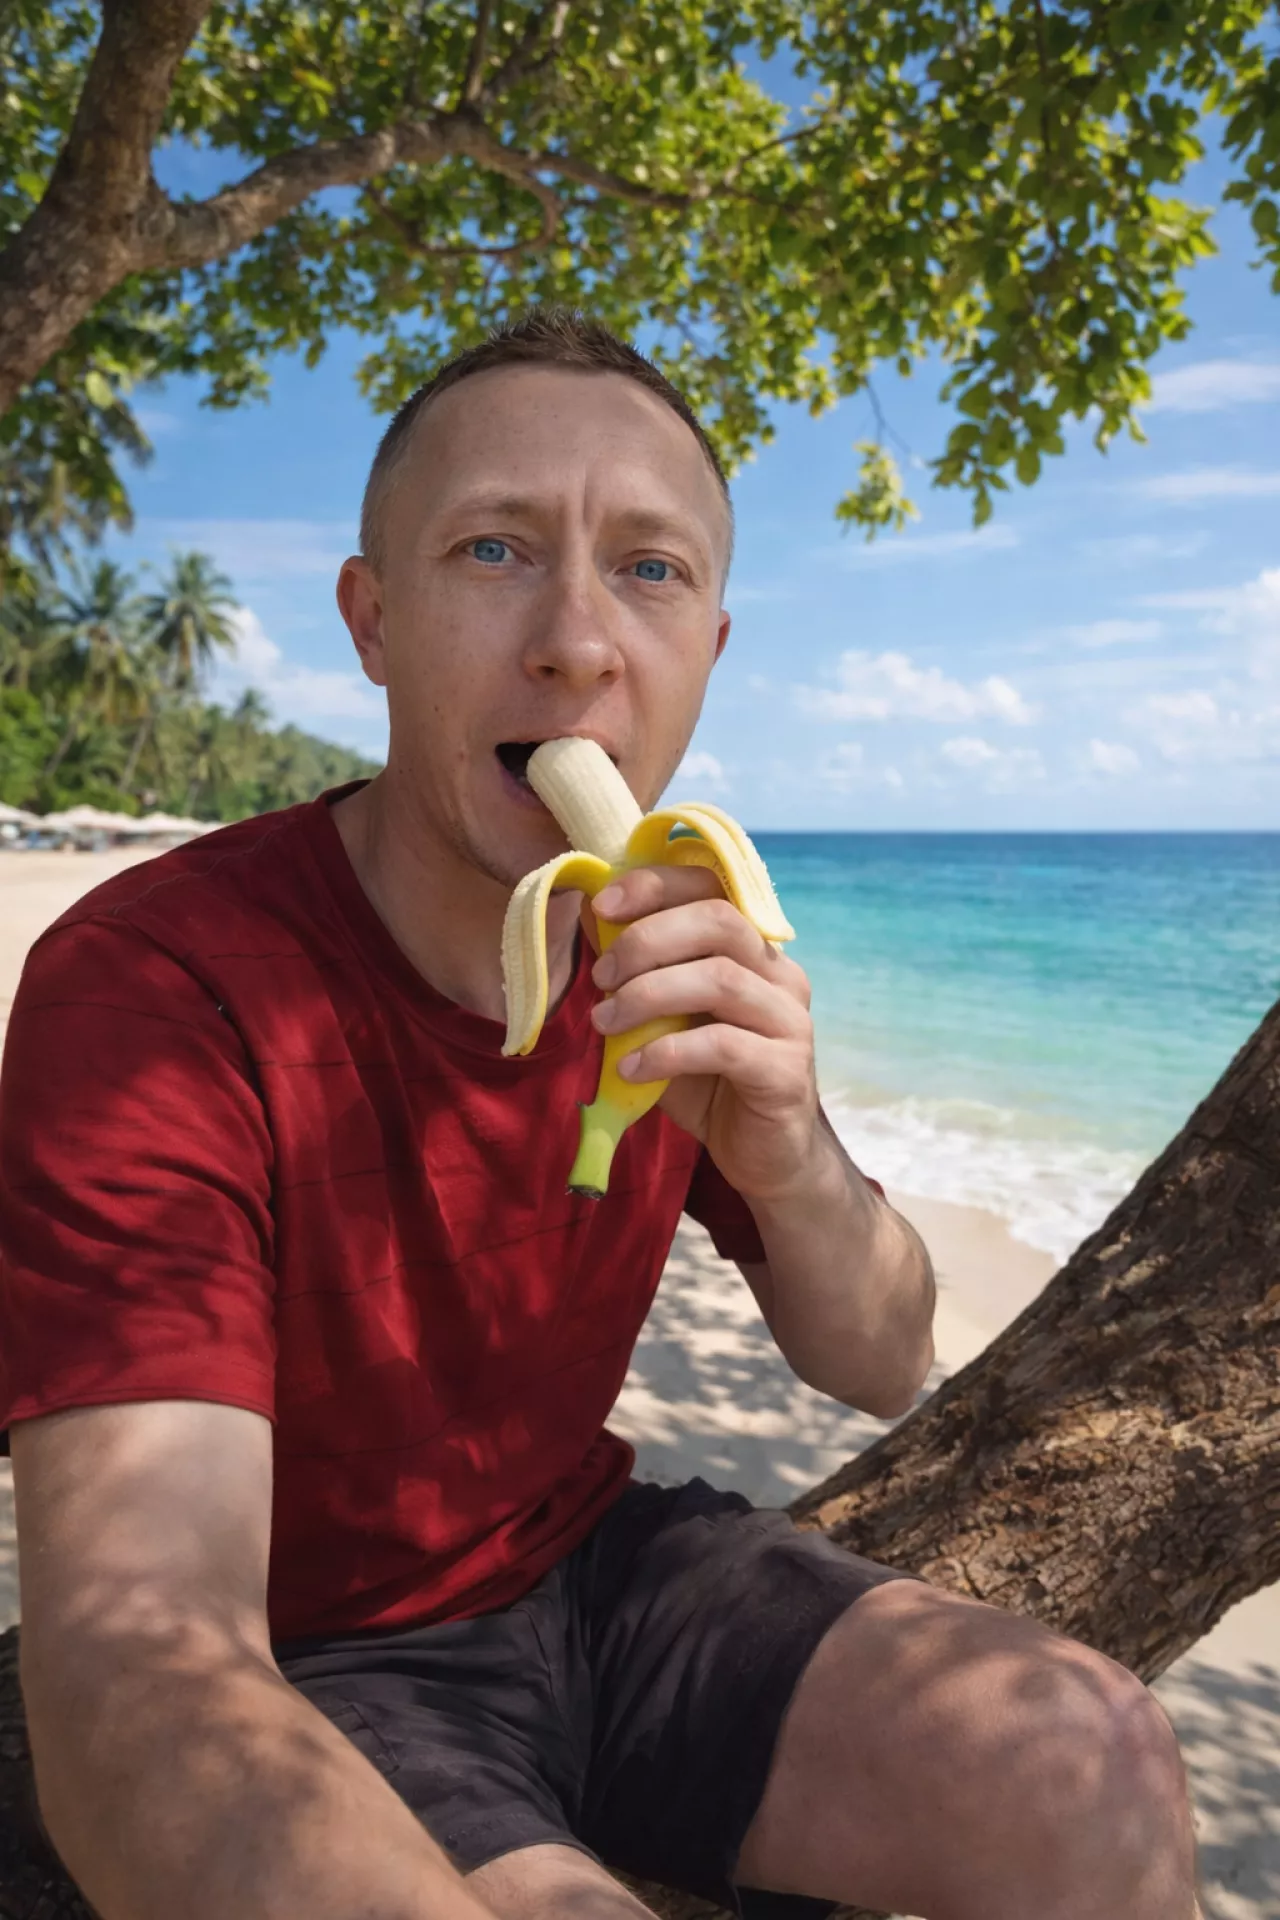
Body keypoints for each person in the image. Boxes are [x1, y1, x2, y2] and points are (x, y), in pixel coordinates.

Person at [0, 309, 1200, 1920]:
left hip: (596, 1570)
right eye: (494, 549)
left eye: (650, 569)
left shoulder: (668, 951)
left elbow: (880, 1356)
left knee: (1097, 1756)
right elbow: (139, 1665)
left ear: (710, 645)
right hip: (322, 1651)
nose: (578, 641)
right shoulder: (162, 987)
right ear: (372, 620)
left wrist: (785, 1147)